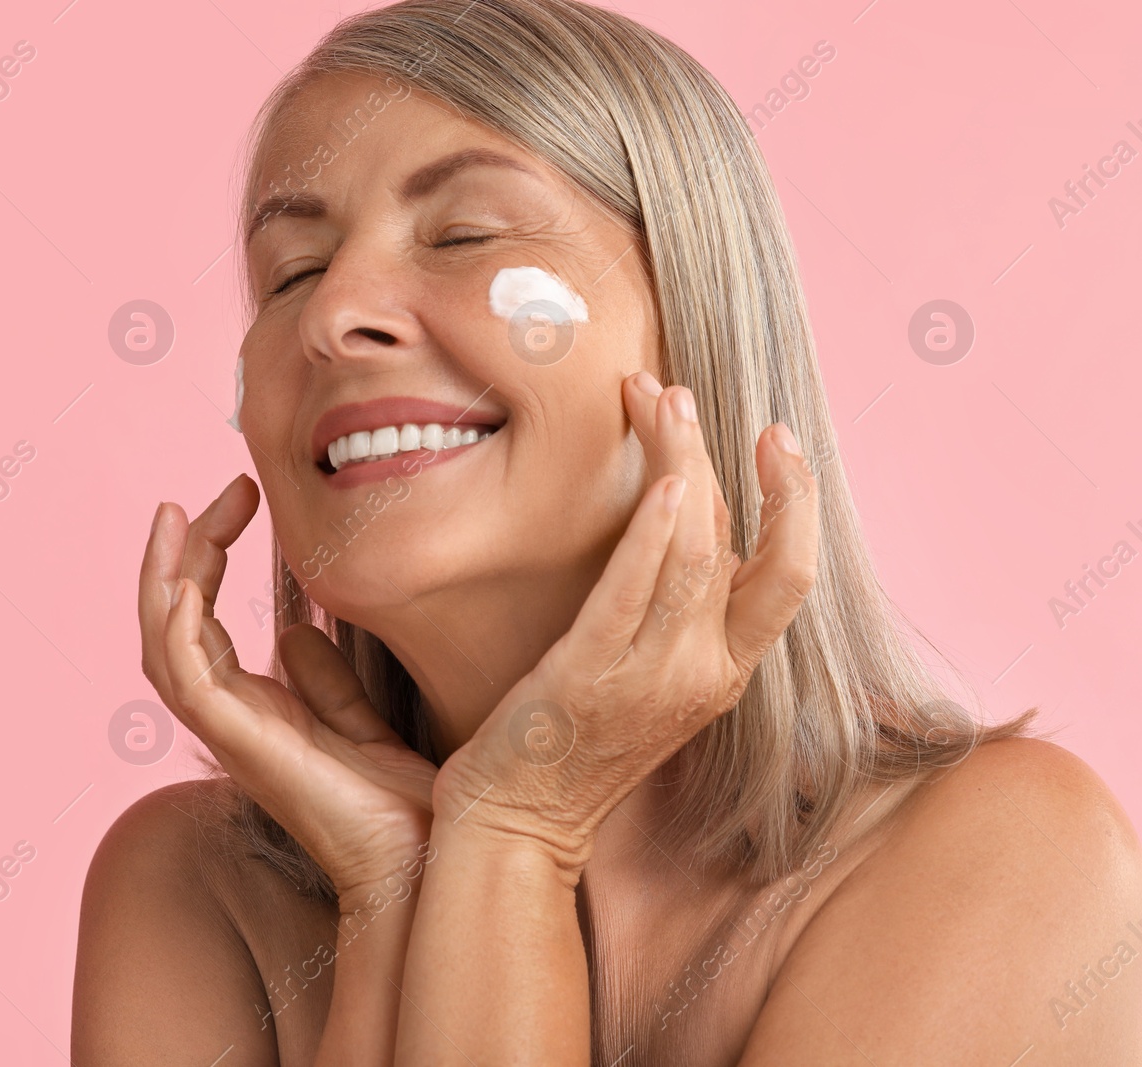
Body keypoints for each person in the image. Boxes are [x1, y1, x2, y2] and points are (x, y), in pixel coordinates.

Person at [72, 1, 1142, 1062]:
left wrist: (511, 832)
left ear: (695, 327)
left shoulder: (1000, 855)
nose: (331, 312)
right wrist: (397, 890)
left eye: (463, 233)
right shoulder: (189, 885)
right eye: (292, 271)